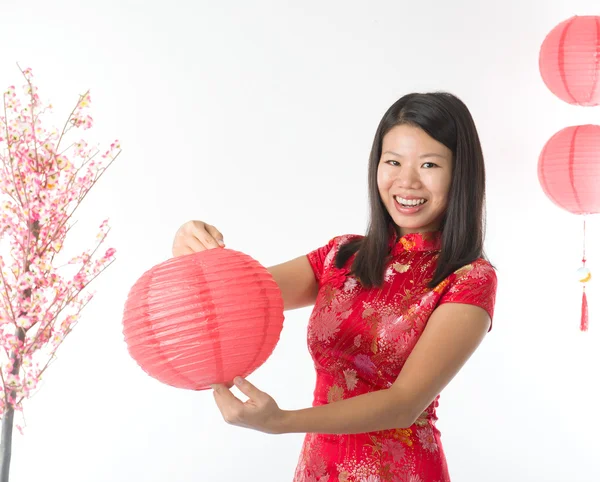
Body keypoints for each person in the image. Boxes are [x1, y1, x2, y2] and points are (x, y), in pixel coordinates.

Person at [171, 92, 498, 482]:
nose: (406, 181)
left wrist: (281, 421)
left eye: (429, 164)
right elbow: (234, 298)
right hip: (318, 468)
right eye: (392, 162)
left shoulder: (469, 278)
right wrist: (187, 247)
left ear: (460, 173)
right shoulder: (341, 255)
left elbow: (403, 404)